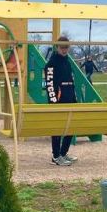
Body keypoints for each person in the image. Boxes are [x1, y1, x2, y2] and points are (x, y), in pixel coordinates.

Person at [45, 36, 78, 166]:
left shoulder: (67, 61)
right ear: (57, 47)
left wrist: (74, 98)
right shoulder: (52, 63)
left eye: (66, 48)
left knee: (71, 127)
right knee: (57, 127)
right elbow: (49, 83)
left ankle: (63, 153)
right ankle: (56, 155)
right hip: (58, 100)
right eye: (62, 47)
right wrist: (53, 101)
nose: (64, 50)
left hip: (70, 97)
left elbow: (71, 80)